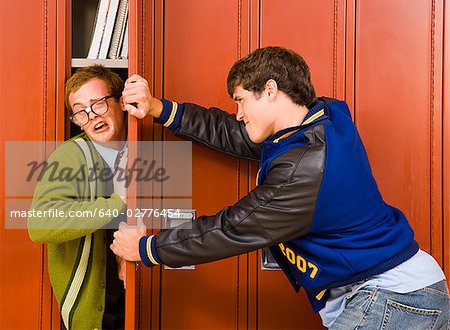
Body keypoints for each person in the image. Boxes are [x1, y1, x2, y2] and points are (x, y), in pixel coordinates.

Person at [112, 47, 449, 329]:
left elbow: (233, 228)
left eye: (241, 101)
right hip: (401, 293)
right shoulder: (320, 119)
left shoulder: (304, 169)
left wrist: (146, 249)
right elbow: (238, 134)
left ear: (270, 90)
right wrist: (159, 109)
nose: (239, 113)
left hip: (395, 297)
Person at [28, 65, 139, 330]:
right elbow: (40, 224)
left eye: (98, 104)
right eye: (80, 111)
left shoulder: (144, 146)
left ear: (120, 101)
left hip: (141, 290)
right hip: (95, 309)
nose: (91, 117)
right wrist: (117, 201)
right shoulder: (70, 157)